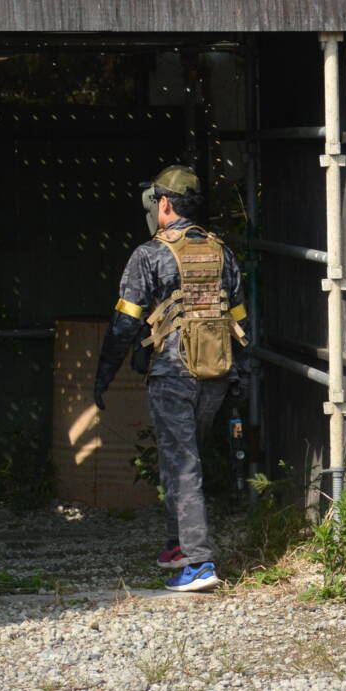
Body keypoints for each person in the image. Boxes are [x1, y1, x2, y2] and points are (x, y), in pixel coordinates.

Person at [92, 165, 249, 593]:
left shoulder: (150, 254)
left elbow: (125, 323)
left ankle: (198, 563)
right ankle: (178, 546)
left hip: (174, 374)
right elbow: (239, 318)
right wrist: (241, 373)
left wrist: (104, 375)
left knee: (181, 463)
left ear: (163, 203)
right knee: (183, 457)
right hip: (216, 373)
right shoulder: (222, 252)